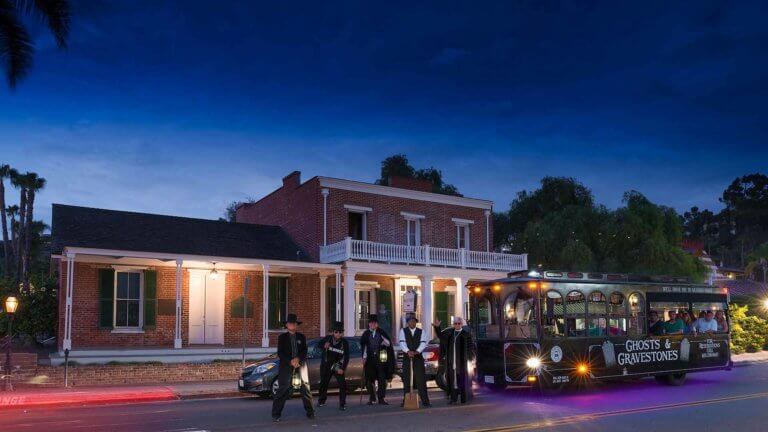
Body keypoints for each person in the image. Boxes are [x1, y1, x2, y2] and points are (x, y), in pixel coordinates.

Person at [271, 313, 314, 422]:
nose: (292, 325)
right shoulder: (282, 338)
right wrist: (290, 361)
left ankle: (310, 412)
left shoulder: (301, 337)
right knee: (283, 390)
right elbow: (280, 353)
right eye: (290, 323)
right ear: (287, 325)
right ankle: (276, 414)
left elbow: (304, 351)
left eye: (294, 323)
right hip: (286, 366)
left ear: (296, 325)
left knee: (305, 389)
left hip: (300, 366)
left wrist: (298, 359)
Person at [433, 317, 474, 404]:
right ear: (453, 324)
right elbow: (440, 336)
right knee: (452, 381)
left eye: (459, 323)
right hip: (451, 362)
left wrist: (470, 359)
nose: (457, 325)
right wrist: (437, 327)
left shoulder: (466, 334)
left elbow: (470, 348)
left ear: (461, 324)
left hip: (462, 362)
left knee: (461, 380)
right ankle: (453, 399)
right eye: (455, 323)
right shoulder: (450, 334)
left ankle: (463, 399)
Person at [360, 314, 395, 405]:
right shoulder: (366, 334)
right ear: (369, 324)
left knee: (382, 379)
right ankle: (372, 398)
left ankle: (381, 398)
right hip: (370, 359)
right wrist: (364, 358)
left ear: (377, 324)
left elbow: (388, 344)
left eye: (374, 323)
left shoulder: (381, 332)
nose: (373, 325)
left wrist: (383, 339)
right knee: (369, 379)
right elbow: (364, 347)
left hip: (381, 358)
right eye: (371, 323)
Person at [399, 313, 431, 407]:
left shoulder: (421, 331)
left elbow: (423, 342)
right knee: (407, 379)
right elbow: (401, 342)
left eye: (414, 321)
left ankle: (425, 401)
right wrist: (407, 351)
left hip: (418, 358)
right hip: (407, 357)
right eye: (410, 321)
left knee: (421, 379)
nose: (412, 323)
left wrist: (417, 351)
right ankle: (406, 400)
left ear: (416, 322)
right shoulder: (403, 331)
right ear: (407, 323)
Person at [318, 321, 350, 410]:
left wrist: (342, 368)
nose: (338, 334)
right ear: (333, 332)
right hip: (326, 365)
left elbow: (346, 357)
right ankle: (321, 401)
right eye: (336, 332)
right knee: (324, 383)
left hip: (337, 365)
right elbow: (318, 345)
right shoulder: (328, 339)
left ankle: (342, 404)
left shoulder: (344, 342)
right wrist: (324, 345)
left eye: (340, 332)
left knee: (342, 385)